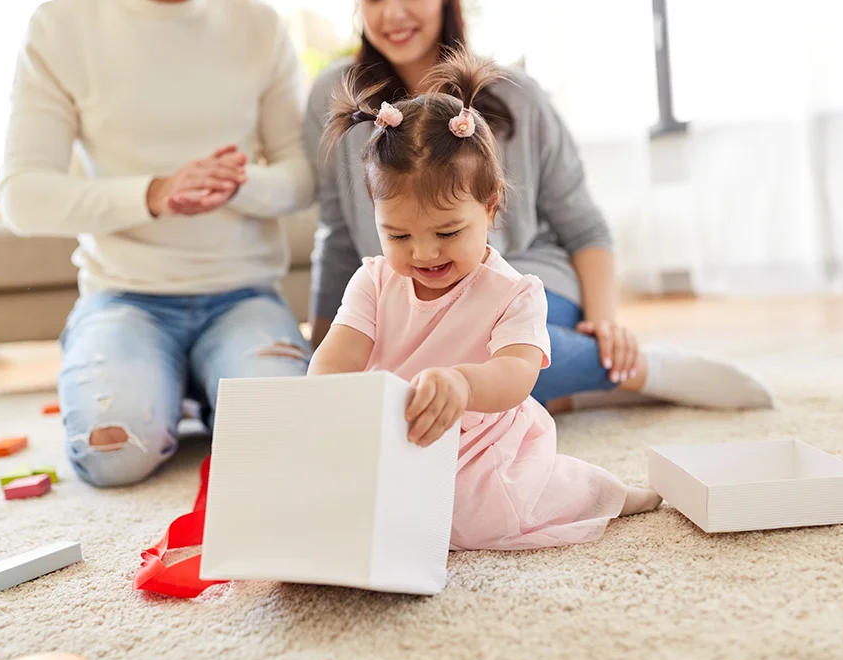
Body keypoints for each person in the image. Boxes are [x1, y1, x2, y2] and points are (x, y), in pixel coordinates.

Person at [304, 0, 774, 413]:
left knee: (476, 363)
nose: (392, 14)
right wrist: (323, 340)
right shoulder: (336, 94)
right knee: (388, 375)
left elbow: (584, 226)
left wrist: (604, 325)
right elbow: (337, 232)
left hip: (532, 281)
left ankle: (636, 368)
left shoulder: (517, 94)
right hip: (411, 296)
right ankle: (570, 391)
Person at [309, 49, 662, 550]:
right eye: (399, 236)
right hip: (392, 435)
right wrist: (322, 402)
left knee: (491, 513)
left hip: (478, 442)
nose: (425, 252)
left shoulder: (514, 292)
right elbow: (338, 354)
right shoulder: (373, 280)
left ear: (490, 206)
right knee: (350, 507)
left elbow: (516, 376)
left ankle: (607, 492)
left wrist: (462, 384)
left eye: (448, 231)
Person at [0, 0, 315, 487]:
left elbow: (302, 177)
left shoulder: (258, 23)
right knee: (114, 456)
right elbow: (21, 194)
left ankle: (196, 389)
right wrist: (153, 193)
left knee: (287, 440)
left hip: (243, 297)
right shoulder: (61, 24)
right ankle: (175, 386)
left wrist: (232, 183)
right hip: (124, 299)